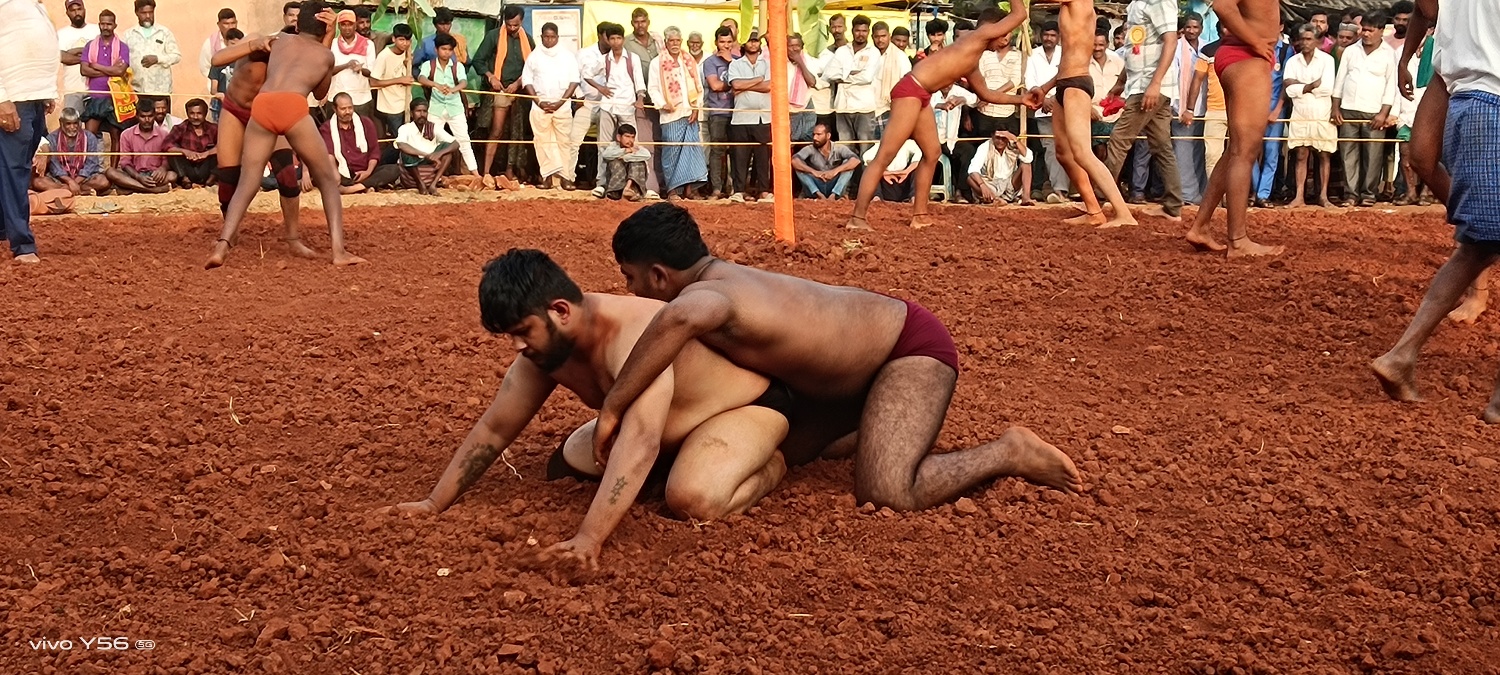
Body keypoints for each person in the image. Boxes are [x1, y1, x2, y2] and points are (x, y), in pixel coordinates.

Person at [598, 204, 1082, 512]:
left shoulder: (712, 299)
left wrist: (614, 405)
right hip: (837, 384)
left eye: (631, 279)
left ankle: (1009, 452)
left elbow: (675, 322)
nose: (631, 292)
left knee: (889, 492)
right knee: (789, 452)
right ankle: (865, 427)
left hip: (907, 351)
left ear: (660, 276)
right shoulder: (717, 283)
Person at [384, 249, 791, 570]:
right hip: (667, 429)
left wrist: (589, 538)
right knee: (569, 463)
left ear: (560, 311)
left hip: (742, 408)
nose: (517, 347)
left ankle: (772, 464)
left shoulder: (631, 333)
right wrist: (434, 503)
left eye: (523, 332)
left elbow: (642, 439)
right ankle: (684, 464)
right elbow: (495, 429)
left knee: (691, 500)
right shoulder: (547, 349)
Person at [1371, 0, 1500, 421]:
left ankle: (1402, 355)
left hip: (1466, 101)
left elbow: (1427, 8)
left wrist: (1408, 57)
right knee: (1479, 244)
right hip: (1492, 101)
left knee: (1477, 246)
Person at [207, 1, 364, 270]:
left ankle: (222, 245)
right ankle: (338, 251)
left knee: (248, 180)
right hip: (289, 106)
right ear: (327, 28)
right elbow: (319, 93)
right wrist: (330, 36)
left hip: (262, 105)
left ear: (297, 23)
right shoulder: (326, 56)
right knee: (326, 177)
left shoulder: (278, 41)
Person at [846, 7, 1033, 230]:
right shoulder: (978, 36)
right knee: (885, 155)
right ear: (992, 28)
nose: (1004, 41)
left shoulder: (972, 58)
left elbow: (987, 94)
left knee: (933, 152)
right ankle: (857, 218)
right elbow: (1019, 14)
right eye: (1004, 35)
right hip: (910, 90)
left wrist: (1022, 100)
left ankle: (920, 215)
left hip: (921, 94)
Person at [1182, 0, 1285, 257]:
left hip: (1246, 54)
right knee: (1244, 151)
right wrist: (1255, 42)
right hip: (1246, 56)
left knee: (1235, 150)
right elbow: (1224, 6)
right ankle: (1238, 240)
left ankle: (1201, 227)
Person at [1025, 0, 1137, 227]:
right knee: (1064, 153)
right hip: (1064, 83)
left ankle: (1124, 213)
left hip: (1077, 83)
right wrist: (1044, 88)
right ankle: (1094, 210)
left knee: (1083, 153)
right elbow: (1066, 60)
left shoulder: (1081, 2)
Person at [1101, 0, 1184, 222]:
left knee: (1119, 140)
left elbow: (1170, 42)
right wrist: (1121, 81)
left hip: (1149, 86)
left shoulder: (1160, 1)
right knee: (1161, 145)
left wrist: (1154, 84)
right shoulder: (1138, 4)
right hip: (1144, 84)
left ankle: (1098, 200)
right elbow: (1136, 48)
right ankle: (1173, 206)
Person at [2, 0, 58, 264]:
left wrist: (47, 91)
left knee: (15, 168)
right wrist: (1, 98)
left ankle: (4, 230)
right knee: (14, 170)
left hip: (33, 98)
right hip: (13, 98)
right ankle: (22, 244)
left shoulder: (34, 5)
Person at [1332, 14, 1398, 207]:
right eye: (1364, 30)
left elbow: (1391, 85)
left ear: (1381, 31)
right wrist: (1336, 107)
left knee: (1373, 154)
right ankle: (1351, 194)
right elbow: (1340, 80)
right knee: (1348, 153)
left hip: (1374, 111)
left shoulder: (1389, 54)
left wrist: (1383, 113)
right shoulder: (1351, 51)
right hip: (1349, 109)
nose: (1366, 34)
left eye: (1371, 30)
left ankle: (1369, 193)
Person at [586, 23, 647, 199]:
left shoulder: (632, 58)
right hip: (607, 105)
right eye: (612, 38)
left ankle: (632, 185)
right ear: (608, 40)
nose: (615, 41)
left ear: (623, 39)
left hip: (627, 105)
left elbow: (638, 80)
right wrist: (601, 88)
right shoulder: (604, 59)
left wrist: (640, 98)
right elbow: (587, 74)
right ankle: (602, 183)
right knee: (603, 146)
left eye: (618, 38)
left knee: (632, 145)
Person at [474, 5, 532, 190]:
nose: (512, 28)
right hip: (499, 89)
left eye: (516, 25)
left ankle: (509, 170)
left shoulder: (527, 39)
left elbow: (533, 66)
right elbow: (478, 60)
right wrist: (491, 77)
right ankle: (487, 171)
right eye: (509, 25)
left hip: (518, 90)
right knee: (496, 131)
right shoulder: (493, 36)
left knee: (516, 133)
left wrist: (518, 83)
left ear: (521, 22)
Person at [648, 26, 706, 201]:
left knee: (691, 152)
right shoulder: (656, 63)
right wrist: (662, 104)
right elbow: (653, 88)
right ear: (665, 42)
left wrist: (696, 108)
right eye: (671, 41)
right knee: (672, 153)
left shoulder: (688, 61)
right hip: (670, 115)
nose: (674, 44)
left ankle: (689, 190)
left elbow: (699, 87)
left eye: (677, 41)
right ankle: (673, 190)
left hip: (690, 113)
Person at [1283, 25, 1338, 209]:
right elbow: (1289, 90)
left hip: (1322, 111)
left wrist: (1299, 86)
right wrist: (1309, 86)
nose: (1305, 43)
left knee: (1324, 154)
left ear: (1317, 41)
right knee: (1301, 153)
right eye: (1302, 39)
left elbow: (1326, 88)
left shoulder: (1327, 60)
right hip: (1300, 111)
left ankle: (1323, 196)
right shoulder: (1292, 61)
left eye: (1309, 39)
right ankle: (1299, 196)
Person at [522, 22, 579, 191]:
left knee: (564, 142)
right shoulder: (534, 56)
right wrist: (539, 101)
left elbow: (574, 81)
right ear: (541, 37)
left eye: (552, 37)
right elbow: (527, 81)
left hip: (562, 106)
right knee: (542, 141)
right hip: (540, 106)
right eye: (546, 37)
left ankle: (565, 178)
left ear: (557, 37)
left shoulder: (567, 56)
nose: (549, 40)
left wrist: (560, 102)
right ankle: (546, 177)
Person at [416, 33, 478, 177]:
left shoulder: (458, 66)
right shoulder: (428, 65)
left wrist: (453, 89)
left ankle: (475, 174)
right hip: (435, 108)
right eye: (444, 49)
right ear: (437, 49)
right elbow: (421, 78)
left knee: (464, 141)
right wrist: (436, 85)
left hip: (455, 108)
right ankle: (431, 173)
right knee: (430, 140)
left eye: (449, 50)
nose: (447, 52)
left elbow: (463, 82)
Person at [79, 10, 132, 168]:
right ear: (99, 24)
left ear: (115, 25)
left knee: (117, 137)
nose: (105, 27)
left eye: (109, 23)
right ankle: (90, 171)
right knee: (89, 136)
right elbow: (84, 70)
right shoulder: (91, 46)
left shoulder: (122, 47)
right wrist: (109, 69)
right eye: (102, 23)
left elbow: (120, 71)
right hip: (95, 96)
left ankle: (114, 172)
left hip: (116, 98)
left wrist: (96, 66)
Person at [1024, 21, 1070, 203]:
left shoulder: (1065, 54)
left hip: (1064, 107)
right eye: (1046, 34)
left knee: (1068, 148)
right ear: (1040, 36)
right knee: (1051, 149)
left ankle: (1066, 189)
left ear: (1058, 37)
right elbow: (1030, 82)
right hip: (1042, 109)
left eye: (1052, 35)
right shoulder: (1032, 56)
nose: (1048, 38)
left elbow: (1067, 79)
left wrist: (1054, 99)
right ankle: (1059, 190)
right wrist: (1043, 98)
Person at [317, 92, 397, 194]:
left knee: (394, 170)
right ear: (334, 109)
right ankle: (366, 186)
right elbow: (329, 154)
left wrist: (367, 172)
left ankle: (351, 189)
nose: (347, 112)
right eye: (343, 109)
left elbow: (374, 152)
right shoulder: (327, 128)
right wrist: (335, 173)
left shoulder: (366, 123)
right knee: (325, 175)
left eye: (350, 108)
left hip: (365, 171)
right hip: (343, 172)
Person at [726, 30, 772, 204]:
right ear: (744, 44)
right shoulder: (735, 64)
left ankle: (763, 191)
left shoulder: (767, 63)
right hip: (741, 117)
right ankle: (738, 190)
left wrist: (746, 85)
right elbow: (735, 84)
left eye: (756, 41)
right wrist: (757, 80)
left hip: (762, 117)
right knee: (740, 155)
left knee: (762, 156)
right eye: (750, 41)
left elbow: (769, 86)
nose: (753, 44)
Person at [825, 15, 881, 158]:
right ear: (852, 31)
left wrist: (843, 77)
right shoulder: (842, 51)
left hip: (864, 107)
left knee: (866, 148)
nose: (860, 34)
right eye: (857, 31)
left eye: (864, 31)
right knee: (844, 147)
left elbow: (866, 77)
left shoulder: (873, 52)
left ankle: (866, 180)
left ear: (868, 32)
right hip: (842, 106)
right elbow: (830, 74)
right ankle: (848, 180)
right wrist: (852, 73)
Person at [623, 7, 664, 200]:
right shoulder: (627, 43)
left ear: (648, 21)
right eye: (637, 21)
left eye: (643, 21)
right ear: (632, 23)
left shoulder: (658, 41)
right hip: (639, 101)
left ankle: (663, 184)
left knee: (662, 143)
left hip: (661, 101)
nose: (640, 25)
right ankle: (650, 186)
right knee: (646, 145)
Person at [1170, 14, 1207, 206]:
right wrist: (1177, 107)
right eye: (1188, 27)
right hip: (1181, 107)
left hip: (1205, 107)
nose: (1192, 31)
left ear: (1201, 28)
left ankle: (1201, 192)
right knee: (1182, 151)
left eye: (1195, 27)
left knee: (1200, 152)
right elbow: (1173, 76)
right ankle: (1187, 195)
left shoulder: (1207, 47)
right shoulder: (1176, 48)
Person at [36, 108, 110, 196]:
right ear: (61, 123)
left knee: (103, 182)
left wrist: (75, 182)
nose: (72, 127)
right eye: (68, 124)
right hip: (61, 179)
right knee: (38, 182)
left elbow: (91, 164)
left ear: (79, 122)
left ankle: (65, 191)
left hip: (83, 179)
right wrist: (70, 181)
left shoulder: (89, 137)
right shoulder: (52, 138)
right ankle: (82, 191)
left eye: (75, 123)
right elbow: (55, 166)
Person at [104, 102, 174, 194]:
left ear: (154, 116)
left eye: (150, 116)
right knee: (110, 172)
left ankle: (133, 188)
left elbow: (167, 158)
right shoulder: (126, 134)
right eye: (143, 117)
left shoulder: (164, 134)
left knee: (172, 176)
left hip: (154, 176)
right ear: (137, 116)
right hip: (134, 174)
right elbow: (125, 163)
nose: (147, 120)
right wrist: (138, 177)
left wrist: (163, 168)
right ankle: (152, 190)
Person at [700, 27, 736, 199]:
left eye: (729, 42)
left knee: (737, 152)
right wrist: (735, 84)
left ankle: (735, 189)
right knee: (717, 151)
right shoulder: (710, 62)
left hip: (738, 112)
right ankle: (716, 188)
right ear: (716, 42)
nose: (726, 45)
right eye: (722, 42)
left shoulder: (738, 60)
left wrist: (731, 62)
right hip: (718, 112)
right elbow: (715, 85)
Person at [395, 99, 459, 196]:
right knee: (405, 154)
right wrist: (426, 155)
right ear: (412, 114)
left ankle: (433, 185)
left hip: (431, 160)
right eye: (418, 111)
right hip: (414, 162)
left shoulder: (433, 127)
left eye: (424, 111)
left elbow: (456, 143)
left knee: (448, 151)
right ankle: (421, 184)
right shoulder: (405, 128)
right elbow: (401, 145)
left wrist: (439, 154)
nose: (422, 114)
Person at [370, 23, 413, 164]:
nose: (404, 43)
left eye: (407, 40)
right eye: (401, 40)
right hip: (391, 107)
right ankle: (383, 165)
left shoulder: (408, 54)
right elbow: (373, 82)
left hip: (405, 103)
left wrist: (408, 64)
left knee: (406, 138)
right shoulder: (384, 56)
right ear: (394, 39)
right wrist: (400, 80)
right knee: (399, 141)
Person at [327, 9, 376, 121]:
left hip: (360, 99)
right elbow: (327, 71)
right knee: (335, 133)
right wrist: (346, 65)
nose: (347, 28)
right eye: (343, 25)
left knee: (362, 133)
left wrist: (361, 69)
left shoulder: (368, 44)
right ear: (339, 26)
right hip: (336, 96)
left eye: (350, 24)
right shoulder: (332, 44)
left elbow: (371, 72)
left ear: (355, 26)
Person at [122, 0, 177, 99]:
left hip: (161, 91)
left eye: (150, 12)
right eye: (144, 13)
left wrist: (158, 59)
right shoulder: (128, 35)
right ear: (137, 13)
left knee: (162, 115)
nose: (148, 16)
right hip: (137, 90)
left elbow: (176, 56)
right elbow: (122, 60)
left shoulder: (164, 32)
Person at [793, 122, 860, 199]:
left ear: (828, 136)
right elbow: (794, 161)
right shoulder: (810, 148)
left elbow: (856, 160)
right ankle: (818, 194)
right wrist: (814, 172)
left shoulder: (838, 147)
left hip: (834, 184)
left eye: (818, 134)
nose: (815, 138)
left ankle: (834, 194)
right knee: (800, 166)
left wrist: (835, 171)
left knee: (848, 165)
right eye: (814, 134)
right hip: (816, 184)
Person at [56, 0, 100, 116]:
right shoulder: (62, 34)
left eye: (79, 9)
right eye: (72, 10)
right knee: (71, 126)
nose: (77, 13)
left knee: (95, 131)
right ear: (67, 13)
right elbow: (62, 57)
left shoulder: (97, 30)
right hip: (72, 89)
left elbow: (101, 55)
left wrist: (74, 52)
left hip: (96, 89)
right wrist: (88, 56)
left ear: (84, 9)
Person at [968, 129, 1034, 204]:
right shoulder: (985, 147)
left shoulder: (1012, 146)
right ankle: (994, 199)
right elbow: (973, 169)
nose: (1000, 141)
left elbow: (1028, 158)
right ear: (992, 136)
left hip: (1009, 184)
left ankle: (1026, 198)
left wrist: (1014, 139)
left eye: (1003, 138)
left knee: (1026, 164)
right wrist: (982, 185)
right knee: (970, 179)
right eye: (997, 138)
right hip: (991, 184)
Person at [870, 21, 912, 136]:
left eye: (883, 36)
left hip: (889, 109)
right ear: (872, 37)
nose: (880, 40)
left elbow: (906, 86)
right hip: (867, 109)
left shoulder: (900, 57)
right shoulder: (869, 54)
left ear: (889, 36)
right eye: (877, 37)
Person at [165, 98, 218, 188]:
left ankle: (210, 180)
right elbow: (167, 145)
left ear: (205, 114)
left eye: (199, 114)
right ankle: (185, 181)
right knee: (173, 153)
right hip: (187, 167)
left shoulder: (213, 128)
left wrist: (207, 153)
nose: (195, 117)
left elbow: (224, 146)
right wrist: (185, 152)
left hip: (206, 168)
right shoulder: (180, 128)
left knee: (221, 154)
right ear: (187, 114)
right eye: (192, 113)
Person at [600, 123, 650, 201]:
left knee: (638, 163)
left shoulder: (637, 147)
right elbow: (606, 155)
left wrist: (625, 158)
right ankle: (615, 192)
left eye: (632, 137)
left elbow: (647, 155)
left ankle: (629, 188)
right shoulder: (613, 146)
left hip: (632, 188)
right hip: (616, 186)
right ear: (619, 137)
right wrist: (625, 151)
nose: (630, 140)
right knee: (615, 163)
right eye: (627, 136)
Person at [787, 33, 819, 144]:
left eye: (797, 45)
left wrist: (800, 62)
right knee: (790, 139)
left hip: (806, 103)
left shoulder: (808, 60)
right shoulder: (780, 62)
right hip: (787, 107)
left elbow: (812, 82)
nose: (795, 49)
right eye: (791, 46)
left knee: (807, 138)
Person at [207, 29, 243, 123]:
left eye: (239, 44)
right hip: (221, 106)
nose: (236, 47)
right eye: (232, 43)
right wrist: (219, 94)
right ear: (226, 42)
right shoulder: (219, 61)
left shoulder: (246, 62)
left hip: (240, 104)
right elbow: (213, 89)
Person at [198, 9, 236, 83]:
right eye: (226, 24)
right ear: (219, 24)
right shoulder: (210, 43)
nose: (230, 27)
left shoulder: (245, 39)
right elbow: (205, 68)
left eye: (233, 23)